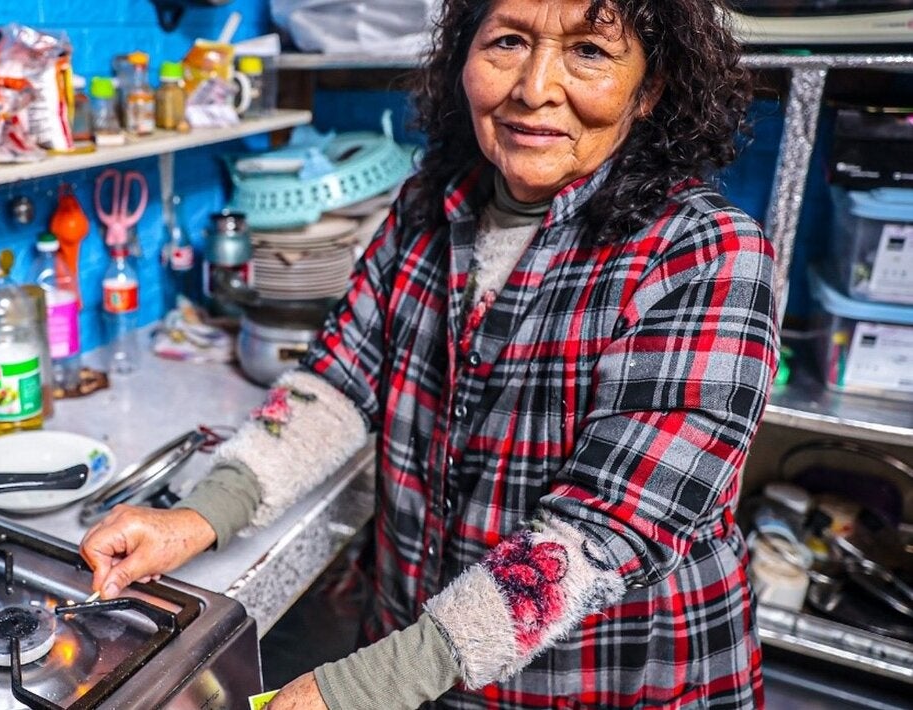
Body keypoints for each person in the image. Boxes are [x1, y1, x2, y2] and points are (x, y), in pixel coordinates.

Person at [81, 0, 779, 707]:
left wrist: (361, 687)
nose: (534, 87)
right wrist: (195, 518)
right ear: (462, 58)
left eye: (589, 52)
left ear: (651, 85)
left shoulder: (707, 254)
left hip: (603, 679)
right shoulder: (427, 207)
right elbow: (338, 382)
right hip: (423, 658)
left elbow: (605, 530)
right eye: (507, 41)